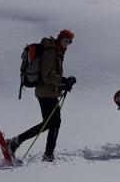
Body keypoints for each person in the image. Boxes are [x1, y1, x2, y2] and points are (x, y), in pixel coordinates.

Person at [7, 30, 76, 161]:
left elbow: (51, 75)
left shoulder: (58, 51)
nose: (67, 43)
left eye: (69, 42)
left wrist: (63, 85)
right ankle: (16, 142)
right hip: (45, 93)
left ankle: (47, 153)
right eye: (65, 40)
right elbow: (46, 75)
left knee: (53, 123)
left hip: (49, 92)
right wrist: (63, 80)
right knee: (51, 123)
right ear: (59, 38)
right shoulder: (51, 51)